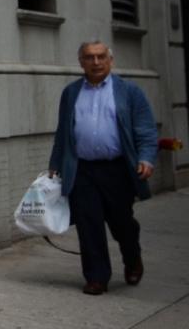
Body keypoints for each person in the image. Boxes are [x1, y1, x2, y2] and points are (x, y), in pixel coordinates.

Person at [48, 40, 158, 295]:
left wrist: (146, 158)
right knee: (88, 224)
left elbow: (145, 129)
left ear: (110, 60)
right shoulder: (71, 92)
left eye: (101, 57)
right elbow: (63, 132)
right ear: (81, 62)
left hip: (117, 170)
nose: (96, 62)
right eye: (89, 57)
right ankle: (96, 277)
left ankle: (132, 257)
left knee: (122, 223)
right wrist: (55, 165)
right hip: (83, 170)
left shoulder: (129, 91)